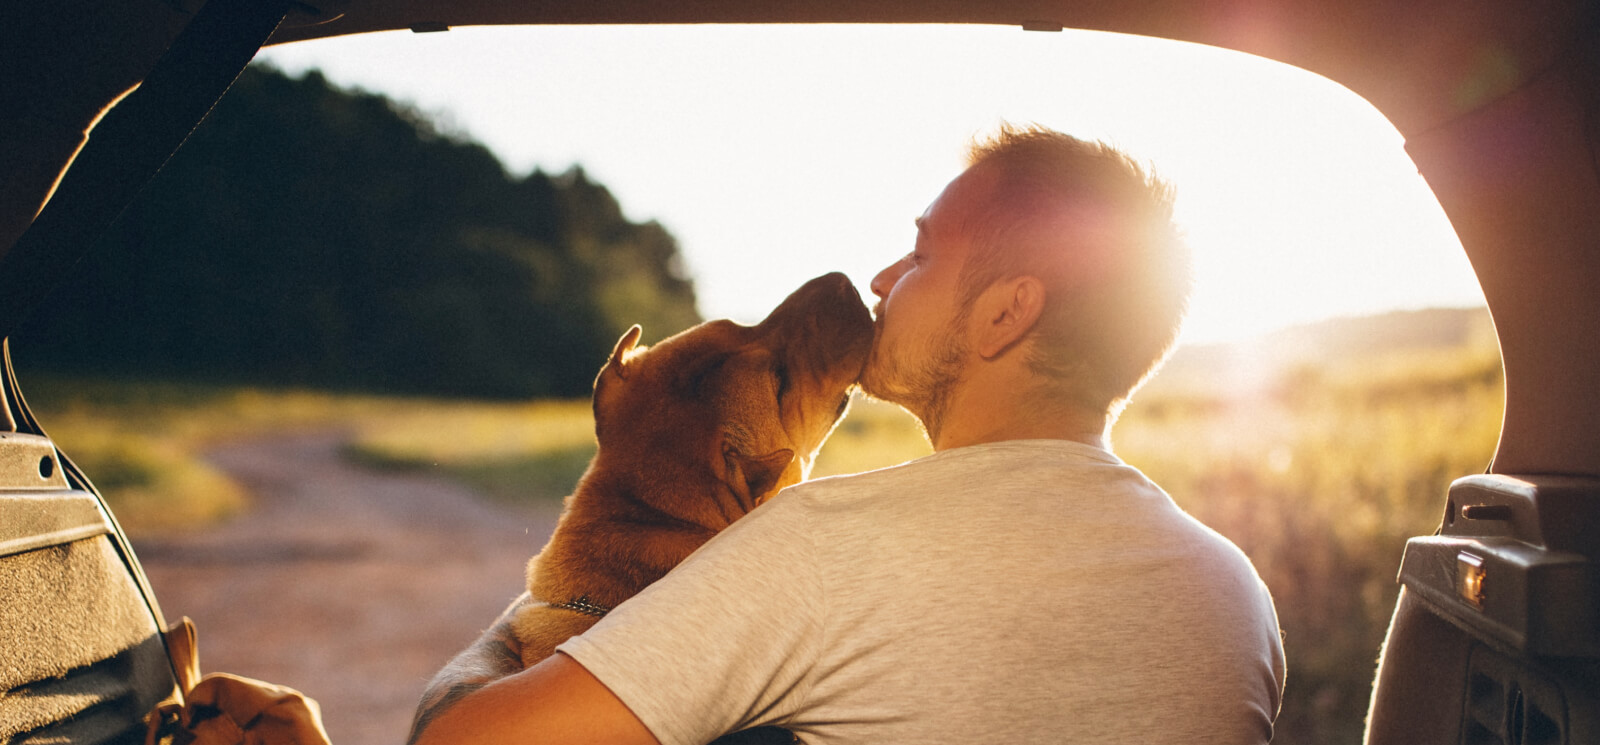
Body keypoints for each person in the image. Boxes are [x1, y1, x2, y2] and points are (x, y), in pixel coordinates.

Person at [409, 124, 1286, 745]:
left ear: (1007, 312)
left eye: (923, 254)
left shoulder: (821, 551)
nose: (881, 276)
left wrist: (533, 623)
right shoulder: (1235, 593)